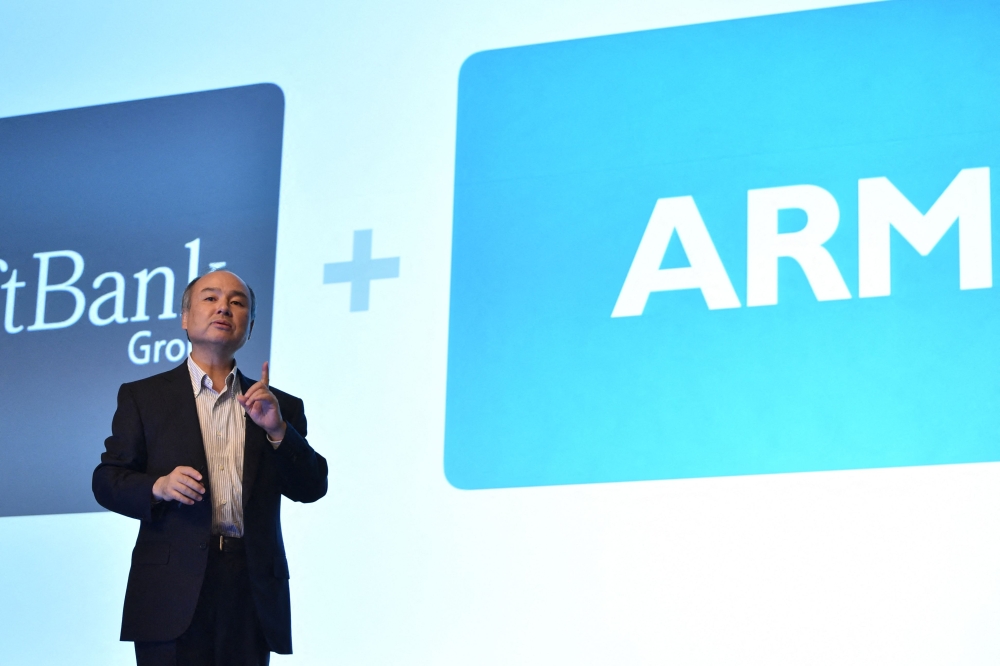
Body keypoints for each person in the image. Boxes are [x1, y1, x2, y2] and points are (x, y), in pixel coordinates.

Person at [93, 270, 328, 665]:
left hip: (250, 589)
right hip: (169, 590)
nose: (224, 308)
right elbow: (107, 480)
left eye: (237, 302)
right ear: (185, 317)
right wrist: (157, 487)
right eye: (210, 298)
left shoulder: (278, 406)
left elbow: (312, 486)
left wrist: (277, 431)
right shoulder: (144, 397)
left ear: (250, 327)